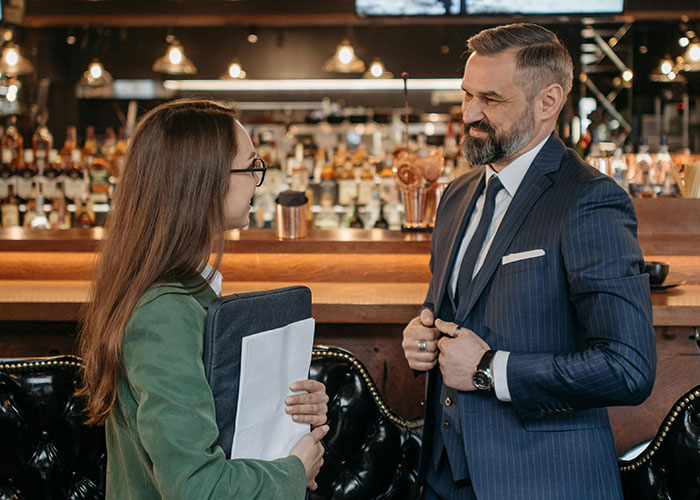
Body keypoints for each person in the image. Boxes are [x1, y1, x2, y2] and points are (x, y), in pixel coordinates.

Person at [401, 23, 656, 500]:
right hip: (440, 475)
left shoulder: (590, 201)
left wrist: (489, 370)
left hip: (542, 479)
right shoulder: (456, 195)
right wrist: (423, 338)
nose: (470, 114)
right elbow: (457, 310)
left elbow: (628, 367)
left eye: (491, 100)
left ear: (548, 102)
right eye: (466, 95)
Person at [76, 99, 329, 499]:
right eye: (251, 167)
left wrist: (287, 413)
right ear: (204, 181)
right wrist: (293, 472)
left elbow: (214, 431)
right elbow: (195, 486)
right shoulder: (163, 312)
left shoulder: (186, 291)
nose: (256, 182)